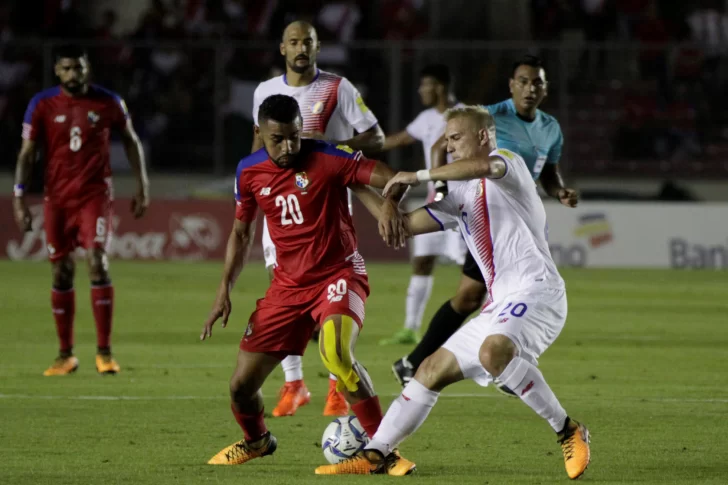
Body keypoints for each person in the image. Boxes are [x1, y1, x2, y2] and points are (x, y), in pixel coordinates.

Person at [315, 105, 591, 480]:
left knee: (493, 352)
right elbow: (403, 228)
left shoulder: (507, 163)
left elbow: (481, 168)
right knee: (428, 370)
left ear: (482, 136)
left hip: (537, 290)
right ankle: (376, 453)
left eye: (456, 138)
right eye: (446, 140)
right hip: (498, 305)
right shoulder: (458, 194)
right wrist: (359, 184)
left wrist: (416, 174)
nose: (448, 146)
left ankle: (567, 429)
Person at [201, 94, 415, 476]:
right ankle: (257, 441)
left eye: (294, 137)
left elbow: (389, 176)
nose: (288, 147)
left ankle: (384, 452)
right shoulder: (248, 171)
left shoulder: (329, 156)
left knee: (335, 353)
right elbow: (240, 231)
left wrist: (389, 203)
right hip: (287, 287)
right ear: (258, 133)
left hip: (339, 273)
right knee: (240, 386)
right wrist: (223, 290)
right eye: (277, 139)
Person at [392, 55, 578, 394]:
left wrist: (559, 191)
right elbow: (441, 146)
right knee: (469, 296)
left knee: (471, 296)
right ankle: (424, 361)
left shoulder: (550, 127)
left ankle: (435, 361)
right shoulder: (489, 115)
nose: (530, 88)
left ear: (545, 89)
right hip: (484, 212)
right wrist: (442, 189)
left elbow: (548, 171)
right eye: (523, 81)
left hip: (517, 214)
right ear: (511, 85)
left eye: (537, 82)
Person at [251, 20, 385, 418]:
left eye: (307, 42)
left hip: (325, 203)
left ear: (318, 46)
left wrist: (334, 145)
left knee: (329, 287)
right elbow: (258, 142)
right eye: (293, 42)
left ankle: (336, 388)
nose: (300, 48)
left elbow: (375, 138)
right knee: (284, 284)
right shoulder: (264, 91)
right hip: (279, 203)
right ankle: (294, 385)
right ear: (282, 48)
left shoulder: (337, 88)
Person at [12, 45, 149, 376]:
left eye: (80, 67)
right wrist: (18, 198)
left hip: (94, 196)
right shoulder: (41, 104)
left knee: (97, 263)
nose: (74, 74)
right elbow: (27, 153)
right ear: (58, 71)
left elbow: (131, 141)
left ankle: (104, 353)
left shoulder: (109, 102)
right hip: (56, 199)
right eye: (68, 68)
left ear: (89, 69)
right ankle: (65, 355)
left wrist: (142, 185)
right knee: (61, 272)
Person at [377, 64, 465, 346]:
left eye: (424, 85)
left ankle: (487, 328)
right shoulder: (427, 118)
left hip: (463, 203)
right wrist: (353, 147)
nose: (420, 91)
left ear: (438, 86)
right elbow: (399, 140)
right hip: (435, 199)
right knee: (422, 262)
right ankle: (410, 328)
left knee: (473, 267)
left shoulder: (464, 115)